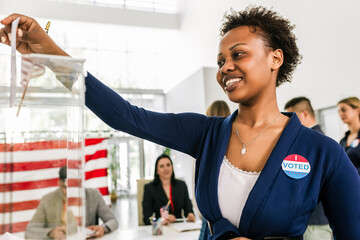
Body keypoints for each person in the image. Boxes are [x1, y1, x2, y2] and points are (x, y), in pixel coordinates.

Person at [2, 6, 360, 239]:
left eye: (238, 55)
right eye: (220, 60)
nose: (225, 67)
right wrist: (51, 53)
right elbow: (124, 116)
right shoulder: (205, 133)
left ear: (275, 58)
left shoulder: (324, 153)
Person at [284, 97, 333, 240]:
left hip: (315, 221)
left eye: (293, 117)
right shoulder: (319, 140)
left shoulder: (314, 142)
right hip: (313, 219)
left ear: (304, 114)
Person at [25, 166, 118, 239]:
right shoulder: (47, 199)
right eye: (64, 187)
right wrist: (51, 233)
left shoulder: (93, 195)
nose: (68, 192)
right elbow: (30, 230)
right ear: (59, 183)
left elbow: (113, 221)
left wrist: (103, 228)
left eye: (73, 186)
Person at [199, 100, 231, 240]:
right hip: (235, 222)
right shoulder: (238, 144)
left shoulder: (203, 148)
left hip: (210, 221)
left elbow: (198, 197)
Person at [142, 153, 195, 225]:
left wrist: (191, 215)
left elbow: (189, 210)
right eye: (161, 166)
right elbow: (147, 218)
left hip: (180, 228)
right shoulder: (149, 188)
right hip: (160, 230)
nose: (166, 168)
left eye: (168, 165)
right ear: (157, 171)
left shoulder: (182, 185)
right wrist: (161, 220)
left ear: (172, 167)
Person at [337, 97, 360, 175]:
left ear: (357, 110)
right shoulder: (343, 141)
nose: (340, 114)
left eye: (343, 110)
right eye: (339, 111)